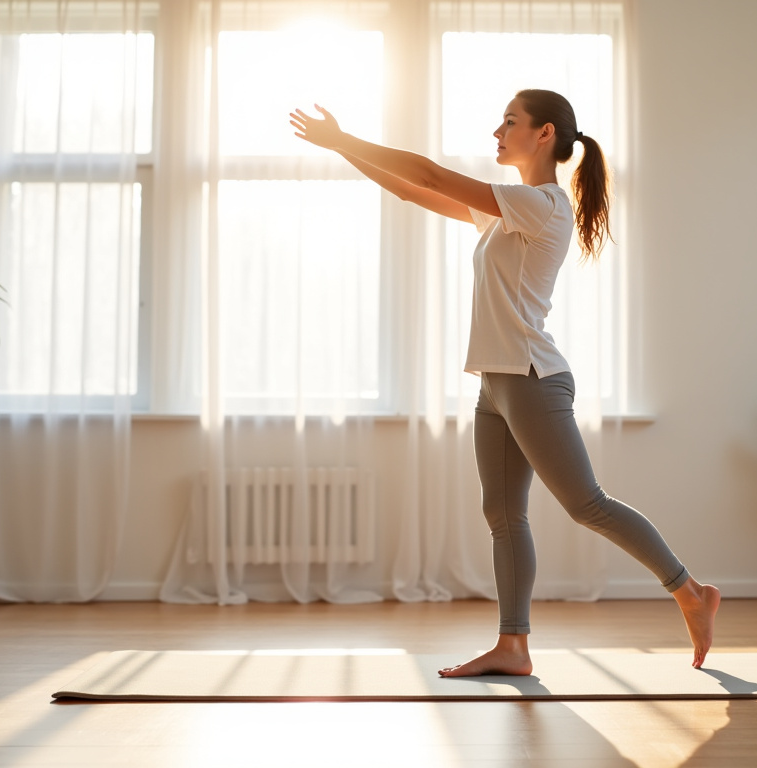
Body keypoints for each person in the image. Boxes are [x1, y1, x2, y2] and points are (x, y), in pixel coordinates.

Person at [290, 89, 720, 676]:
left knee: (586, 505)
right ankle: (513, 646)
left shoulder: (540, 203)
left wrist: (343, 138)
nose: (497, 131)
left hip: (532, 379)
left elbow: (427, 171)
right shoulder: (506, 210)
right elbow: (411, 188)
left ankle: (690, 591)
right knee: (504, 514)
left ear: (544, 134)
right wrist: (341, 151)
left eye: (510, 121)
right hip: (496, 383)